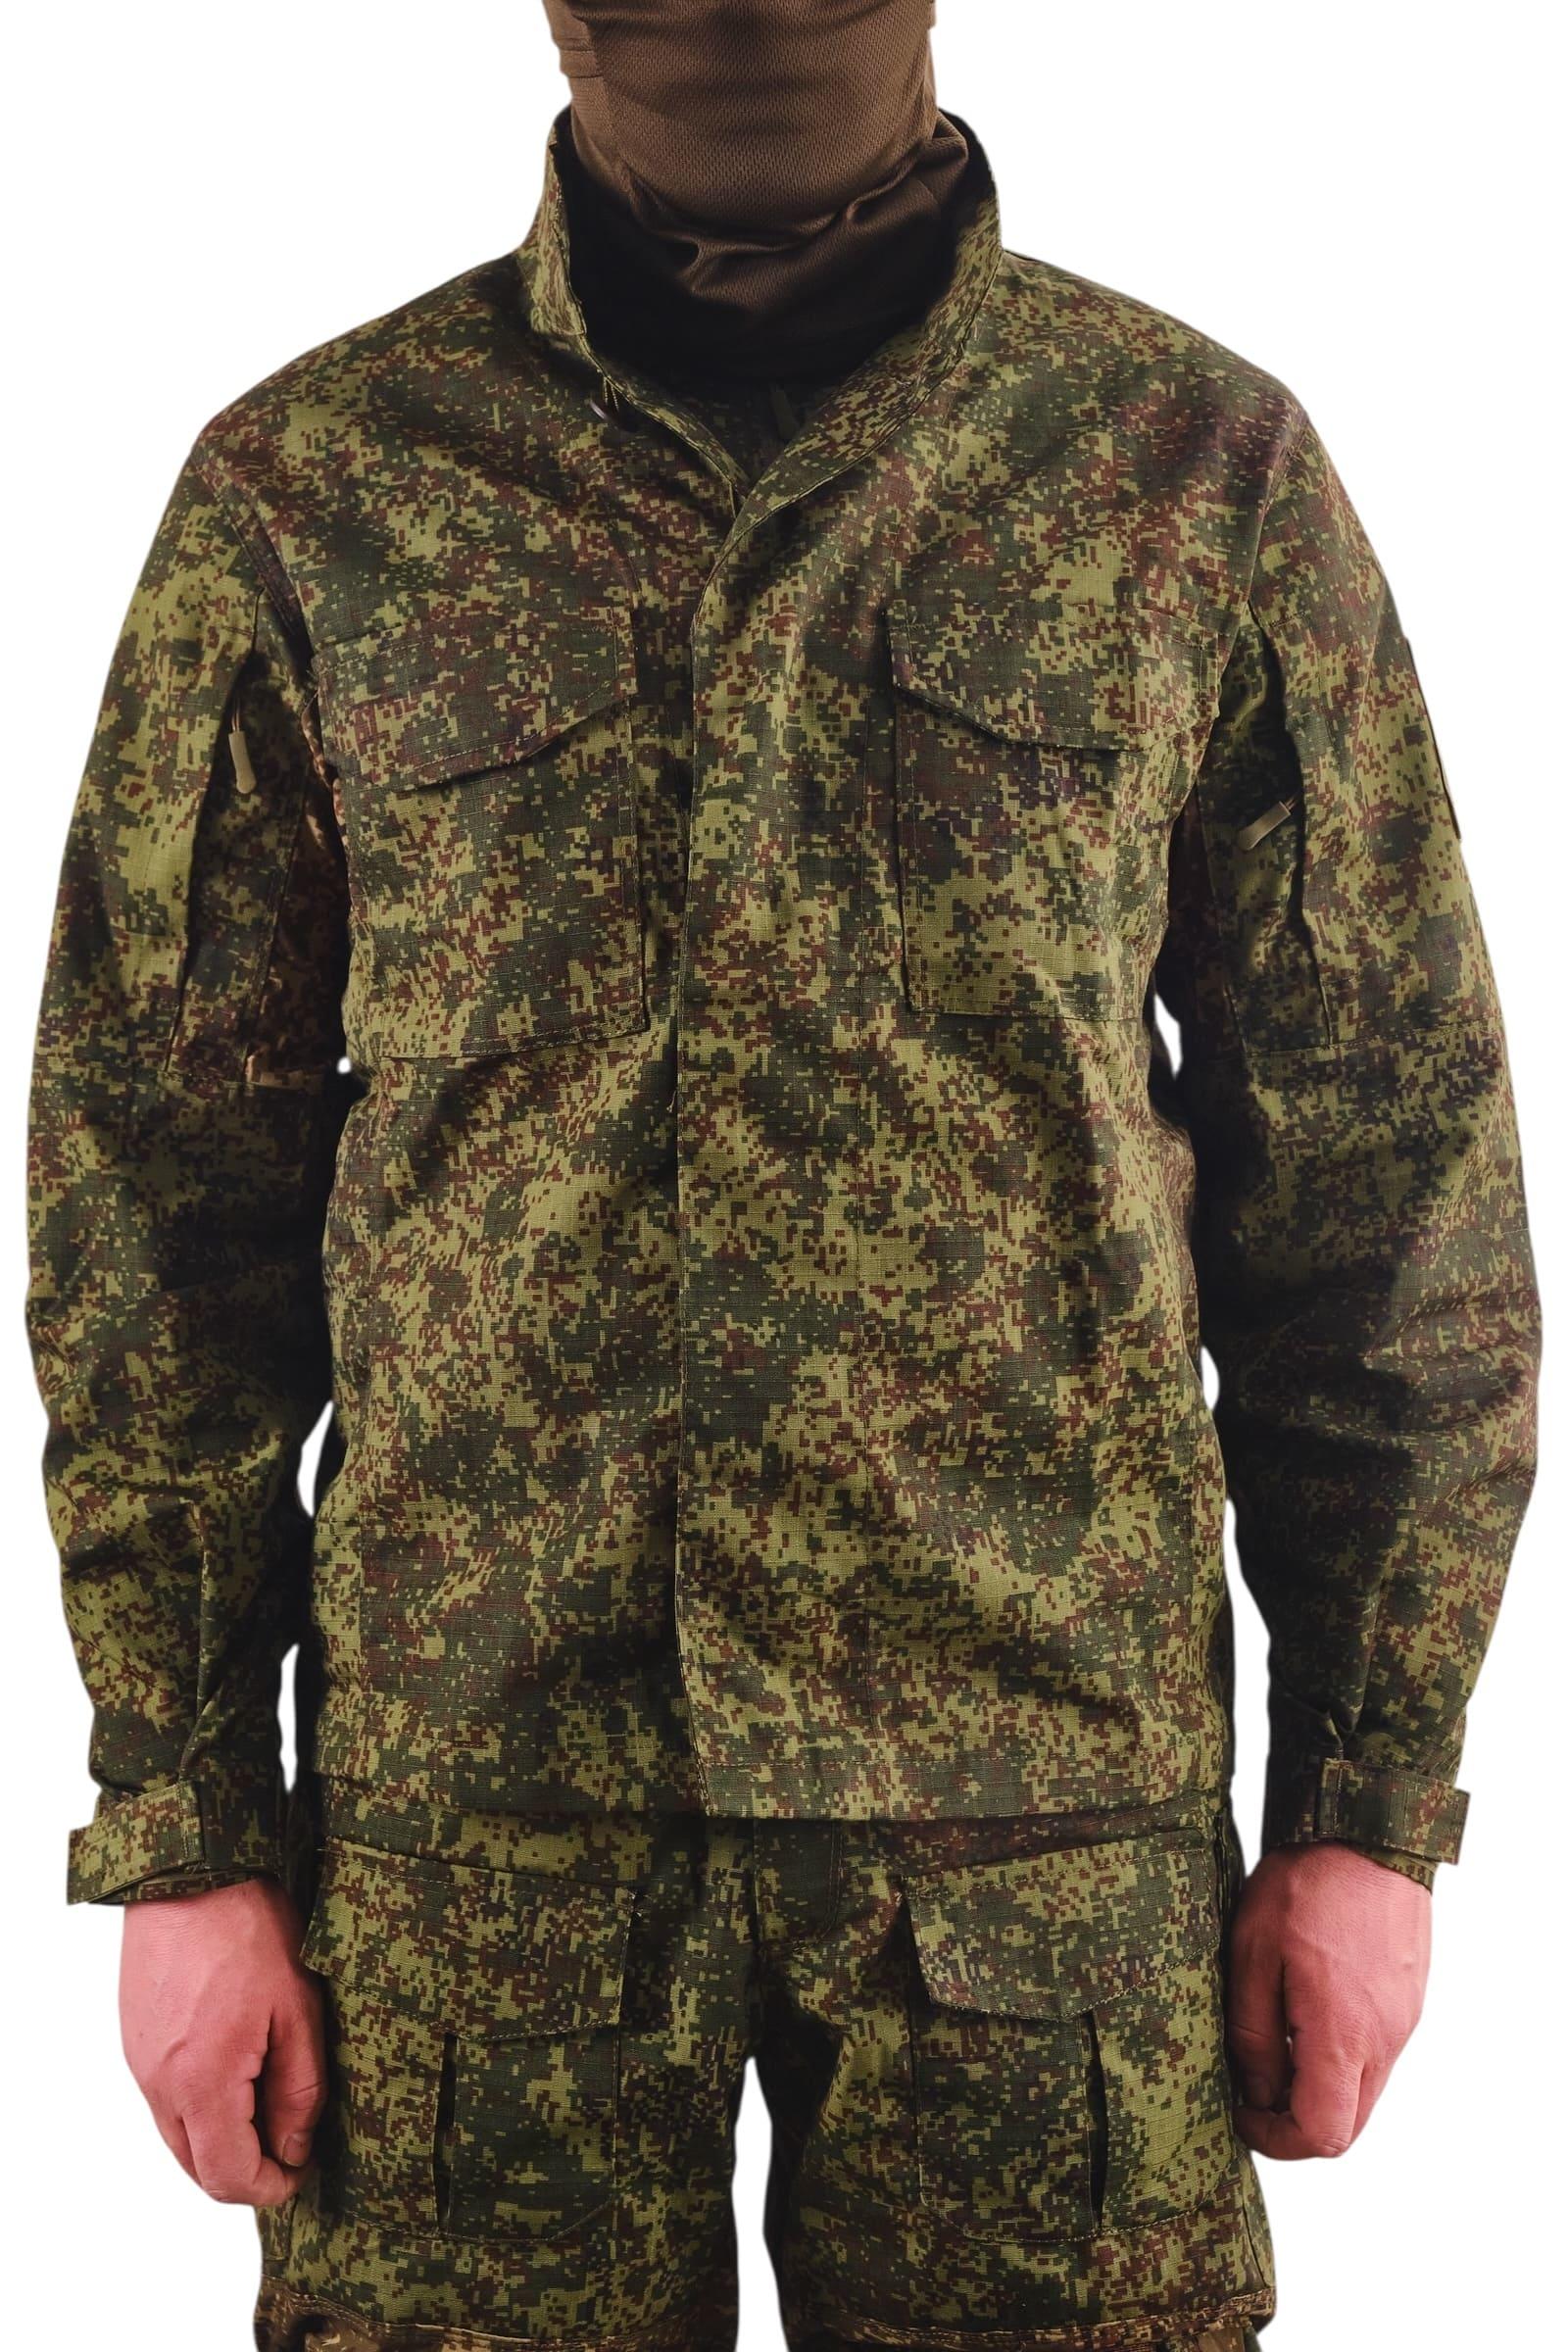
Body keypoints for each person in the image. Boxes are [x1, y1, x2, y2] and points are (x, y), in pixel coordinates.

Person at [24, 4, 1541, 2348]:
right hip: (478, 1849)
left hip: (1038, 1842)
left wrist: (1366, 1804)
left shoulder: (1184, 470)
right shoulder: (321, 487)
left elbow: (1382, 1183)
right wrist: (187, 1822)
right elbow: (155, 1201)